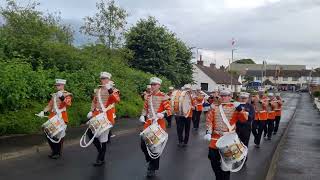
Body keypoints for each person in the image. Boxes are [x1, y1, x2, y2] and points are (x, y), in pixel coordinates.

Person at [204, 88, 248, 180]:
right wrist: (208, 132)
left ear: (230, 97)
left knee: (226, 166)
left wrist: (240, 109)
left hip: (228, 140)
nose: (224, 98)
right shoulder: (214, 107)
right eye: (222, 96)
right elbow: (209, 121)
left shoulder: (235, 107)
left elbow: (244, 119)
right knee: (213, 161)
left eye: (226, 96)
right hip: (215, 139)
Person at [139, 77, 171, 177]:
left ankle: (152, 167)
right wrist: (142, 115)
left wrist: (163, 114)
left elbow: (170, 110)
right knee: (143, 144)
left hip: (158, 124)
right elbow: (145, 108)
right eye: (151, 84)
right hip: (148, 123)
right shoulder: (148, 96)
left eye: (154, 84)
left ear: (159, 86)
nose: (152, 86)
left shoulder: (163, 96)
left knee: (155, 148)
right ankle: (150, 160)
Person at [86, 72, 120, 166]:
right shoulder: (98, 90)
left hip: (107, 116)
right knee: (90, 133)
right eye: (102, 79)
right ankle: (100, 152)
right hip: (97, 115)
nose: (103, 80)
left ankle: (101, 158)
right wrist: (91, 110)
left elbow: (117, 100)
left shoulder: (114, 90)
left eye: (105, 78)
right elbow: (94, 101)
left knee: (103, 139)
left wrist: (110, 90)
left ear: (109, 79)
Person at [37, 79, 72, 159]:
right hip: (53, 117)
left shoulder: (67, 94)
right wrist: (43, 111)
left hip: (62, 118)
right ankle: (54, 150)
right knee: (48, 133)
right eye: (56, 85)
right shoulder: (54, 95)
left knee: (59, 136)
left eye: (58, 85)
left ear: (63, 85)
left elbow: (68, 103)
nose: (57, 86)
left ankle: (58, 152)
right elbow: (49, 105)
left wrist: (62, 97)